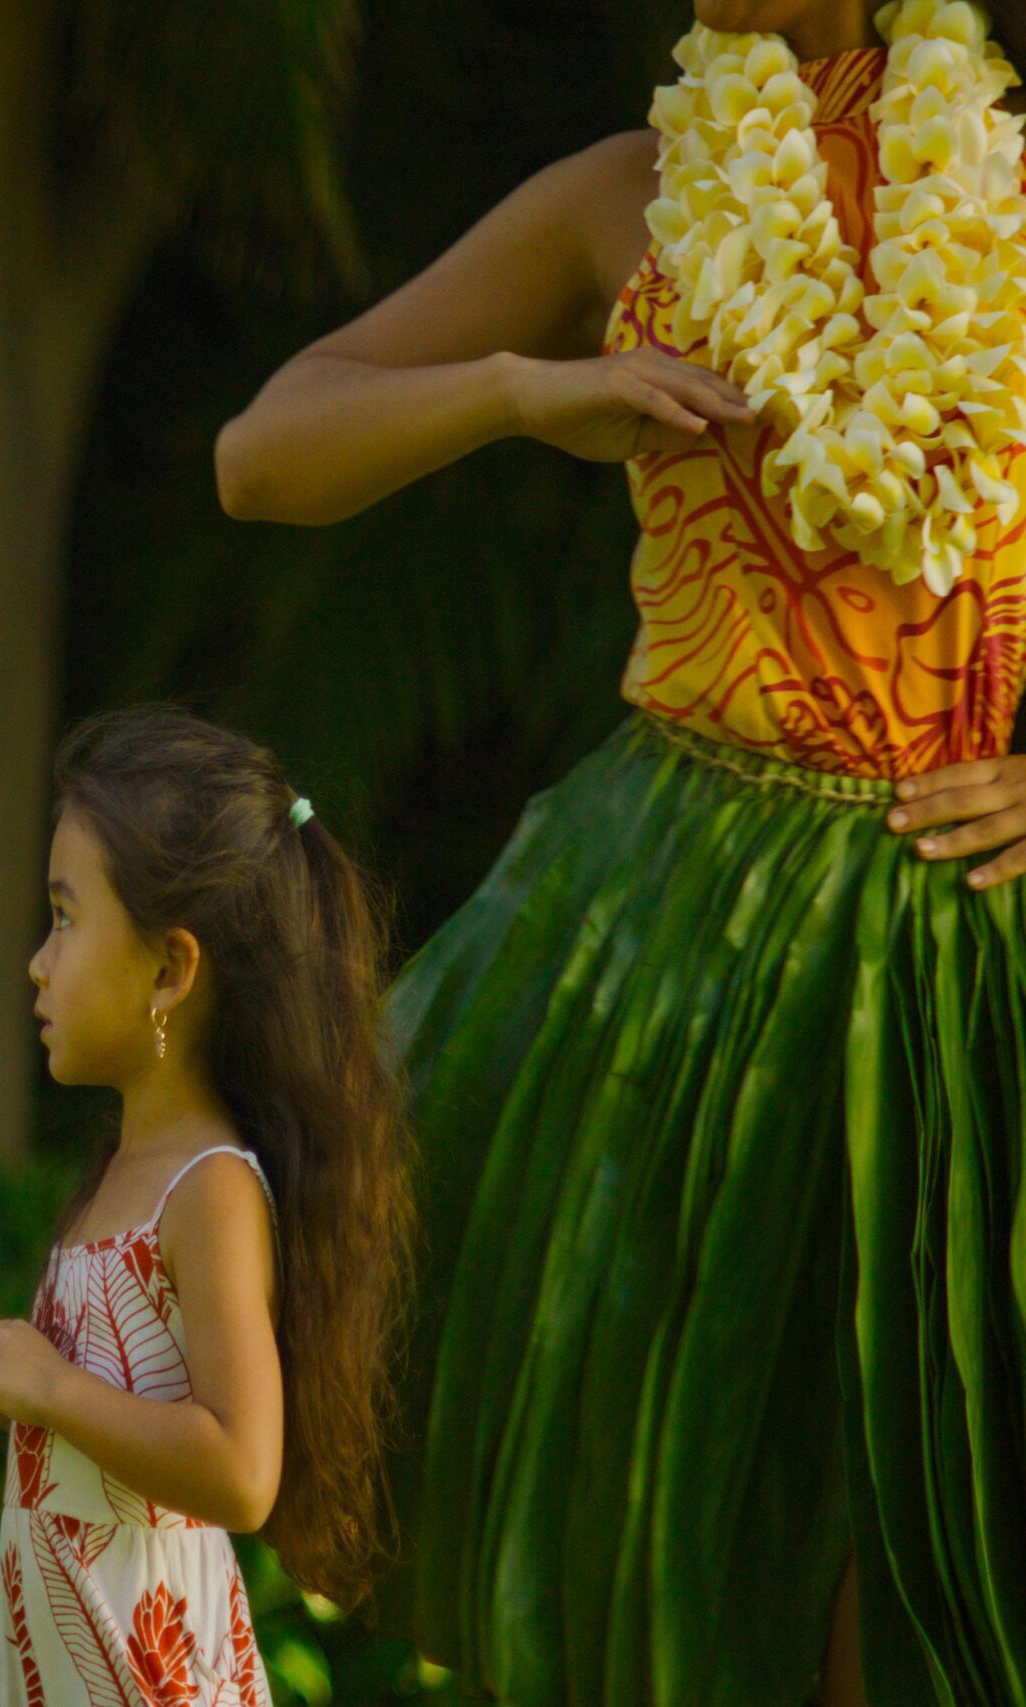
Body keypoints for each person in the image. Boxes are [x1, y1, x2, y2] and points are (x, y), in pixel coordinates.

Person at [216, 2, 1026, 1701]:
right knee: (695, 1550)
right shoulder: (626, 193)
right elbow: (266, 453)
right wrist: (524, 389)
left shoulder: (1004, 180)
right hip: (676, 943)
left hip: (973, 947)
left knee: (943, 1561)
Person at [0, 703, 412, 1706]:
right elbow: (117, 1407)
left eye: (63, 917)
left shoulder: (210, 1189)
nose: (37, 960)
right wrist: (12, 1370)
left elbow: (240, 1467)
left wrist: (50, 1390)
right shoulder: (115, 1175)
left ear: (168, 968)